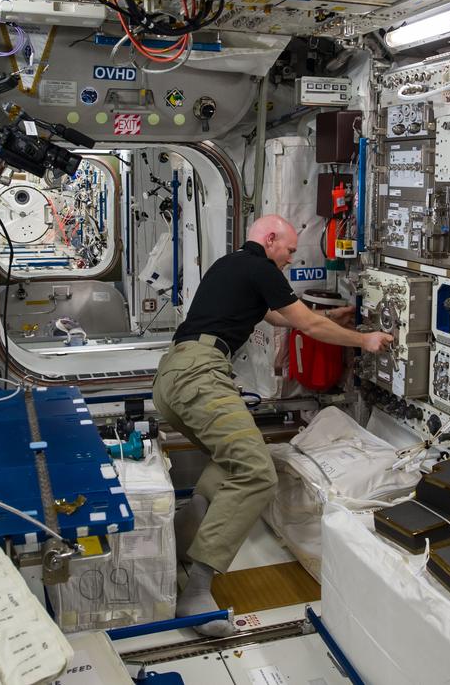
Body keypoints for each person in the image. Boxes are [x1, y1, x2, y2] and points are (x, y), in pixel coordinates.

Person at [151, 214, 393, 636]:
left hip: (173, 375)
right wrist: (364, 340)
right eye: (290, 249)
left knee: (230, 465)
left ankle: (176, 543)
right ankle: (196, 591)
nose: (291, 258)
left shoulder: (230, 265)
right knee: (258, 473)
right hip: (200, 375)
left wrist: (333, 316)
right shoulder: (260, 266)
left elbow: (279, 318)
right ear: (269, 239)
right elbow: (305, 324)